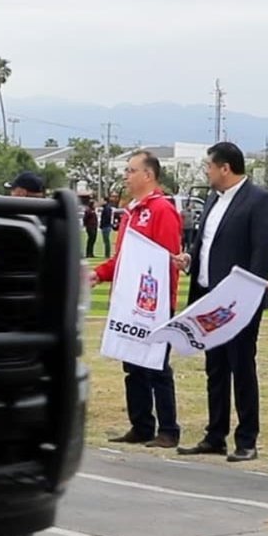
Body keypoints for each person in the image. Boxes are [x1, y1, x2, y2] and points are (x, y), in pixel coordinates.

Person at [173, 142, 268, 462]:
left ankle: (247, 438)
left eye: (209, 165)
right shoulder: (212, 200)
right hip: (208, 298)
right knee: (215, 367)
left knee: (241, 366)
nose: (205, 170)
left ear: (225, 167)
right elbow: (207, 245)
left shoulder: (258, 200)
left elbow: (263, 252)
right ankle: (215, 434)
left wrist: (249, 295)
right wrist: (189, 259)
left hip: (238, 303)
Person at [93, 151, 184, 448]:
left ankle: (169, 429)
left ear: (148, 175)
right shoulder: (131, 211)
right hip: (128, 302)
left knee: (156, 364)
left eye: (131, 171)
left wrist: (161, 302)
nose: (126, 176)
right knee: (132, 365)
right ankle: (141, 424)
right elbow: (123, 259)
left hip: (152, 303)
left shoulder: (161, 210)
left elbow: (167, 259)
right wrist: (100, 274)